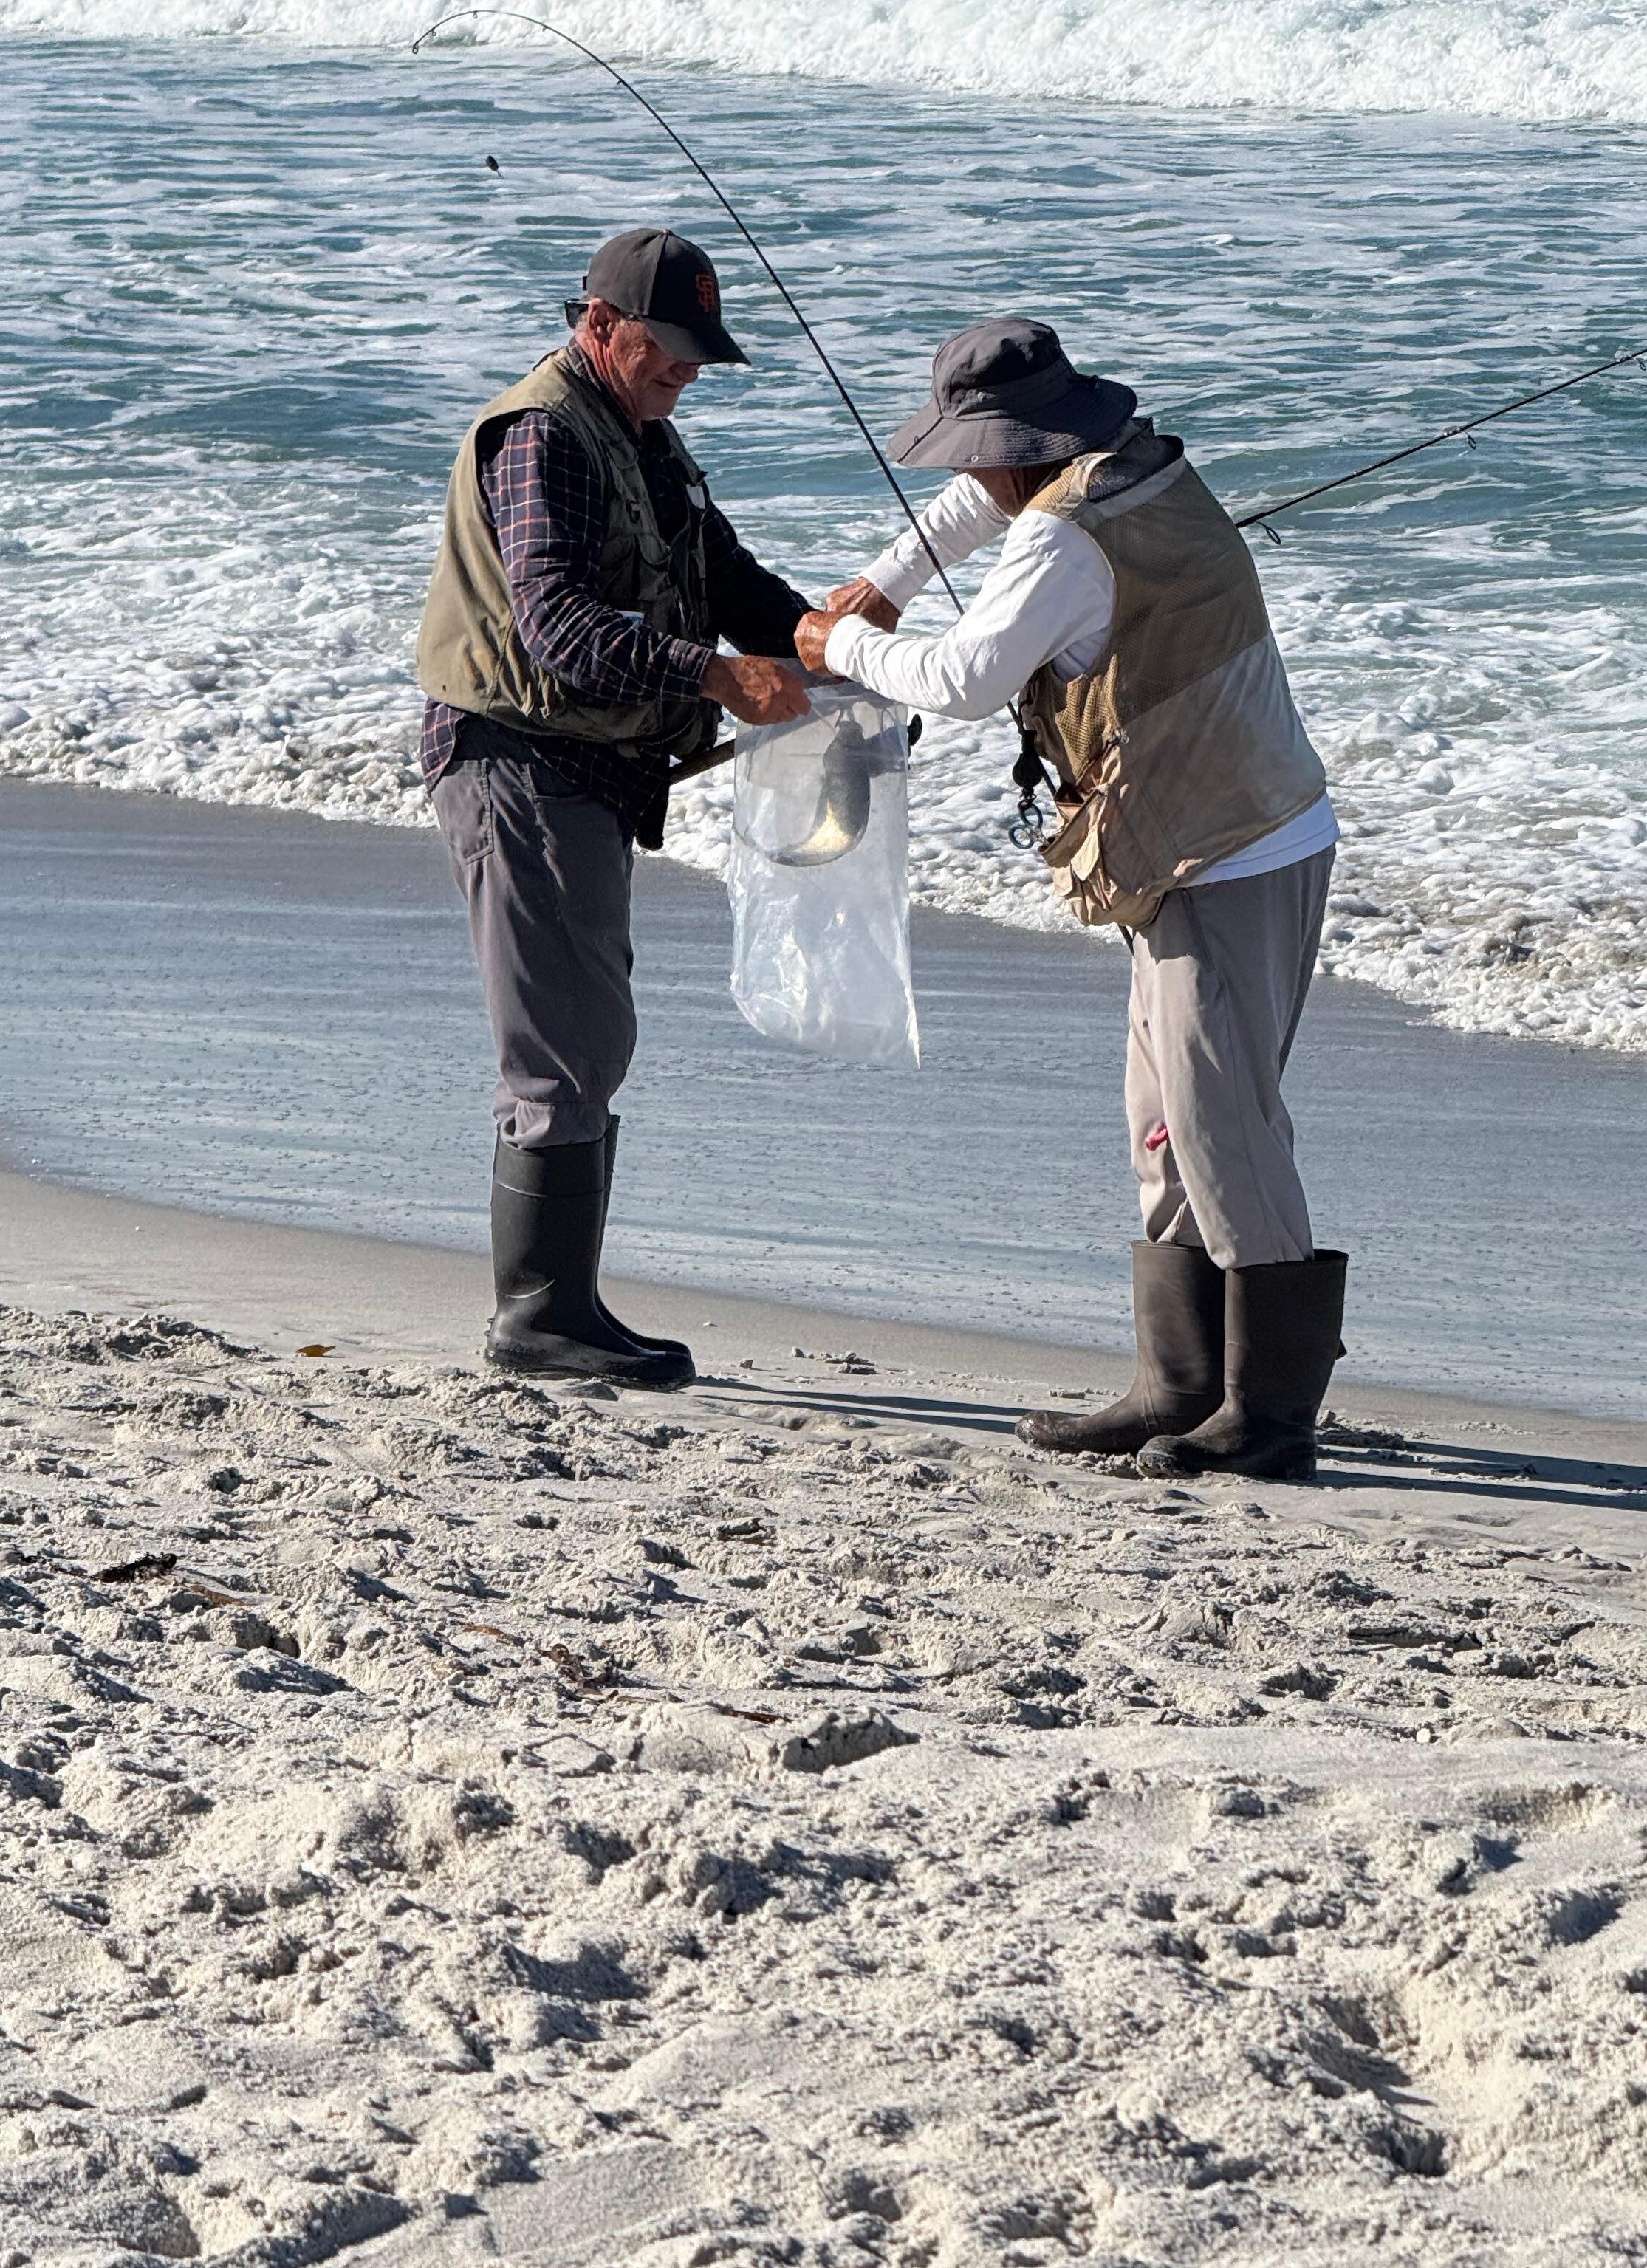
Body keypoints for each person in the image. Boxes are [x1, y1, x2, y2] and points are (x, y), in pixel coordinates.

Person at [795, 316, 1346, 1484]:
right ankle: (1177, 1385)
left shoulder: (1060, 539)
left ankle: (1270, 1416)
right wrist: (888, 583)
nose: (966, 476)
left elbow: (963, 678)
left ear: (1014, 447)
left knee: (1222, 1124)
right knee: (1162, 1117)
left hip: (1230, 850)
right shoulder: (1137, 464)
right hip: (1211, 838)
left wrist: (838, 643)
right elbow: (976, 507)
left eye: (971, 452)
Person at [417, 227, 812, 1390]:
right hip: (516, 765)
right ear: (599, 324)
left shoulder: (642, 433)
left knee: (589, 1034)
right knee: (563, 1047)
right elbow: (557, 627)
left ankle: (565, 1302)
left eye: (699, 354)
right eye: (668, 348)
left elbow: (727, 577)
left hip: (585, 773)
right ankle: (539, 1316)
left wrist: (826, 647)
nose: (686, 371)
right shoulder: (543, 437)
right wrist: (717, 677)